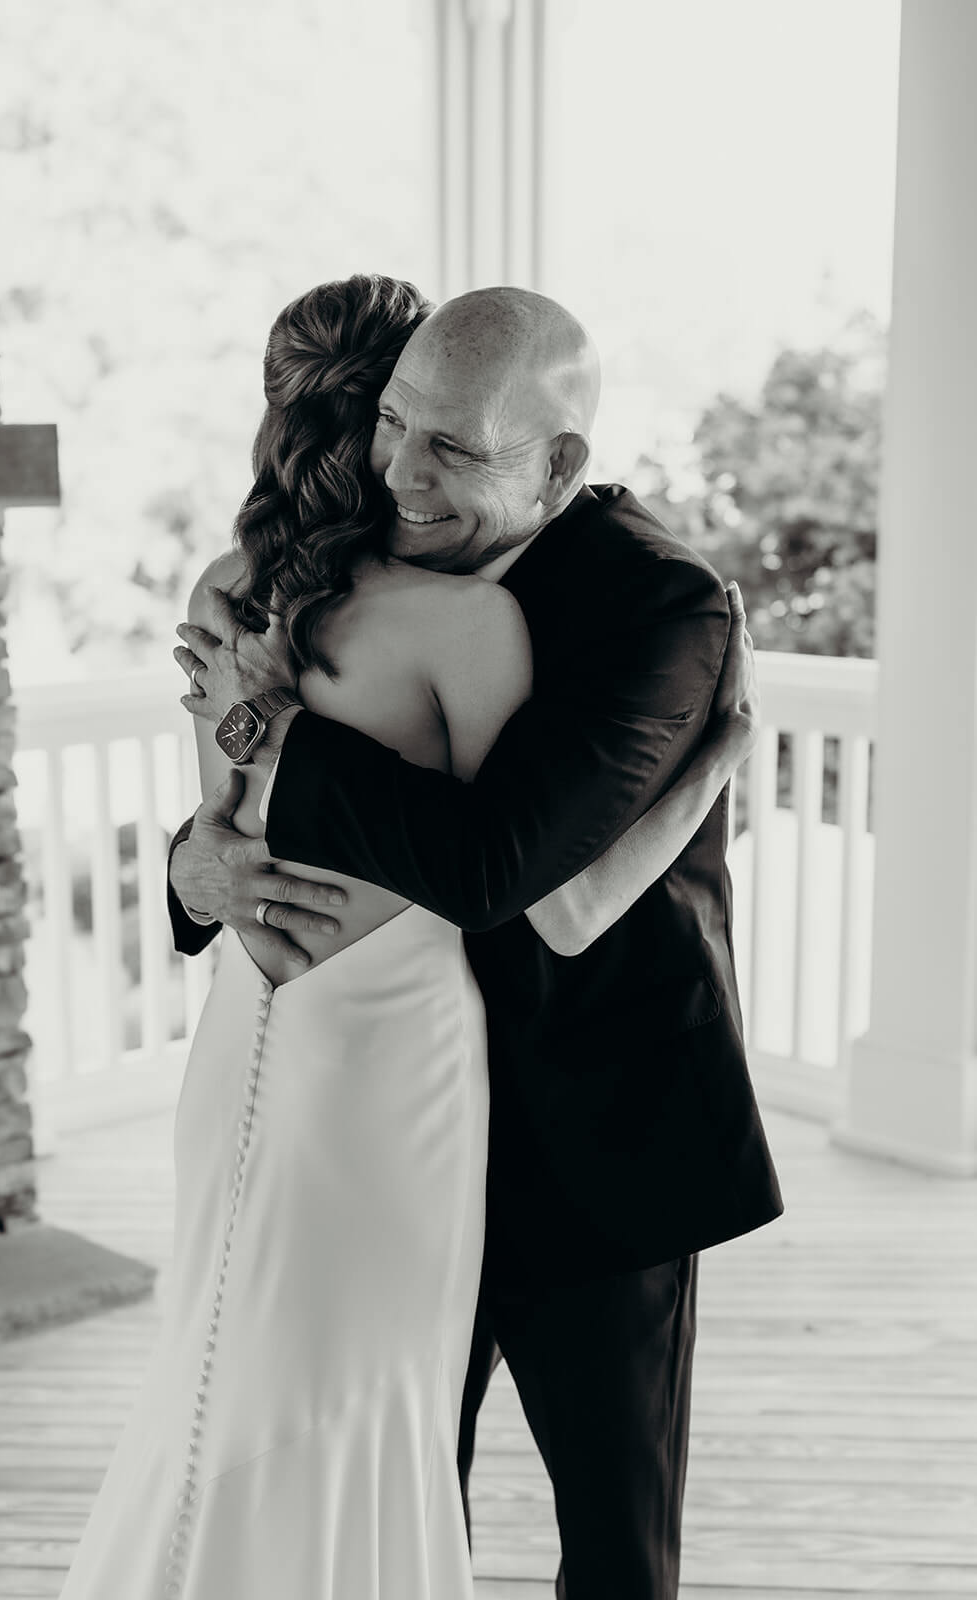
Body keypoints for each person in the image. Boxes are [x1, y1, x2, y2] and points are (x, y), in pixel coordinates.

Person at [161, 279, 780, 1600]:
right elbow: (256, 809)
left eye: (452, 447)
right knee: (390, 1492)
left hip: (590, 1134)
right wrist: (191, 866)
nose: (402, 474)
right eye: (394, 423)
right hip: (393, 1124)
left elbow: (499, 869)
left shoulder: (659, 606)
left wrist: (278, 726)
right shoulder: (348, 563)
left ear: (559, 463)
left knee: (614, 1539)